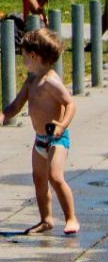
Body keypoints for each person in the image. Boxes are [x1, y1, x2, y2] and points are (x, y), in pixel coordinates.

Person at [2, 23, 78, 238]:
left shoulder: (50, 82)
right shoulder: (31, 80)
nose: (22, 59)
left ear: (34, 56)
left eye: (23, 55)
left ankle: (71, 217)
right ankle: (46, 219)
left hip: (57, 138)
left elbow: (70, 103)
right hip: (40, 138)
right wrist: (3, 116)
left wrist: (62, 125)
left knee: (55, 177)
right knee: (38, 178)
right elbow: (16, 105)